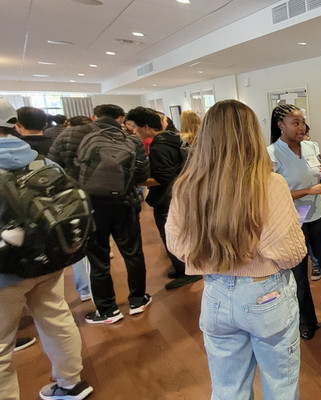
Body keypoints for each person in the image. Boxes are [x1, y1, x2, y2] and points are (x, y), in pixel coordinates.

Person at [165, 99, 306, 400]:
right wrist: (251, 244)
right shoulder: (269, 184)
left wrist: (219, 250)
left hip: (215, 292)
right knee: (280, 384)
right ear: (252, 135)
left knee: (228, 388)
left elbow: (178, 246)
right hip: (265, 292)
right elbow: (290, 253)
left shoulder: (188, 186)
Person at [0, 99, 93, 400]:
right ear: (13, 125)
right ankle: (71, 382)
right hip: (49, 260)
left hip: (5, 272)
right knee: (56, 317)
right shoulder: (39, 160)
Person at [60, 104, 151, 325]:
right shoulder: (131, 140)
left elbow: (58, 169)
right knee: (133, 253)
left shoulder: (73, 136)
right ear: (121, 118)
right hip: (125, 204)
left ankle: (108, 309)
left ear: (94, 116)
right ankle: (138, 299)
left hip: (90, 207)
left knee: (98, 259)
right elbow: (142, 174)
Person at [267, 104, 321, 340]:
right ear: (281, 126)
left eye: (302, 122)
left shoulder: (311, 146)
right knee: (299, 275)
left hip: (319, 214)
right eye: (295, 123)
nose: (301, 127)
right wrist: (310, 189)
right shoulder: (271, 154)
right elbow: (272, 193)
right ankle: (306, 322)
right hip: (292, 220)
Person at [126, 107, 200, 290]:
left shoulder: (159, 145)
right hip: (181, 194)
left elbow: (163, 177)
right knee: (180, 232)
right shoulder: (174, 138)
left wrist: (138, 181)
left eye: (135, 128)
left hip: (168, 197)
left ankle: (186, 270)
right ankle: (184, 268)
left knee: (170, 233)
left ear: (145, 126)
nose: (134, 132)